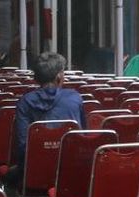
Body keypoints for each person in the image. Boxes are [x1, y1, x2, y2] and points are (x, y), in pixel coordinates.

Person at [10, 52, 85, 187]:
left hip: (33, 173)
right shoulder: (74, 98)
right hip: (69, 174)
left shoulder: (25, 102)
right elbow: (82, 136)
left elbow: (22, 146)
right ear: (59, 76)